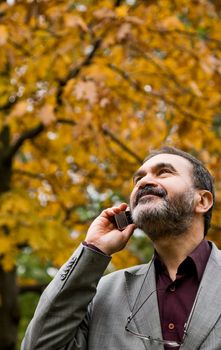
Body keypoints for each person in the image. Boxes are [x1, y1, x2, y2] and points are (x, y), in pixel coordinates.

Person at [21, 146, 221, 350]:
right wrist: (94, 249)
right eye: (138, 179)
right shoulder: (101, 294)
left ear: (202, 201)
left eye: (163, 172)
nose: (143, 182)